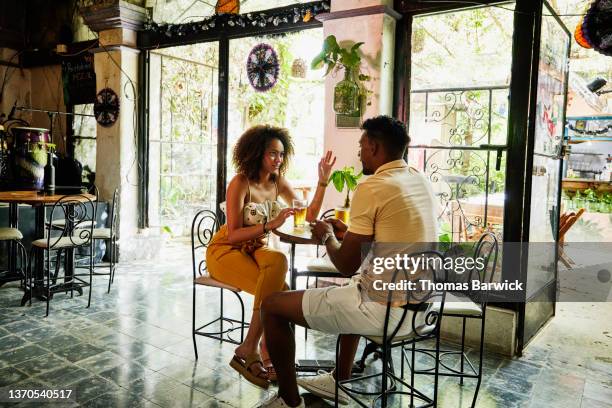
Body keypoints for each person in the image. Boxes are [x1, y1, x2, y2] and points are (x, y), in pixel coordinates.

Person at [256, 115, 438, 407]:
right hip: (422, 311)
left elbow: (345, 264)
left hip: (385, 312)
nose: (359, 152)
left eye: (362, 145)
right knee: (357, 284)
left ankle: (289, 401)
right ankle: (338, 379)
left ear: (375, 147)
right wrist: (350, 235)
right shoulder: (420, 180)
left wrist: (329, 235)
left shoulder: (373, 186)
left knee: (272, 306)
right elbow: (395, 240)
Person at [206, 124, 336, 390]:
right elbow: (232, 235)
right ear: (257, 153)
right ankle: (260, 351)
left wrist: (322, 181)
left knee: (279, 261)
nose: (278, 160)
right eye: (272, 154)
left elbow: (308, 214)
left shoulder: (279, 182)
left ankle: (253, 349)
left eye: (281, 154)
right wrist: (270, 224)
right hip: (226, 251)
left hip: (256, 249)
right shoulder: (240, 182)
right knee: (281, 294)